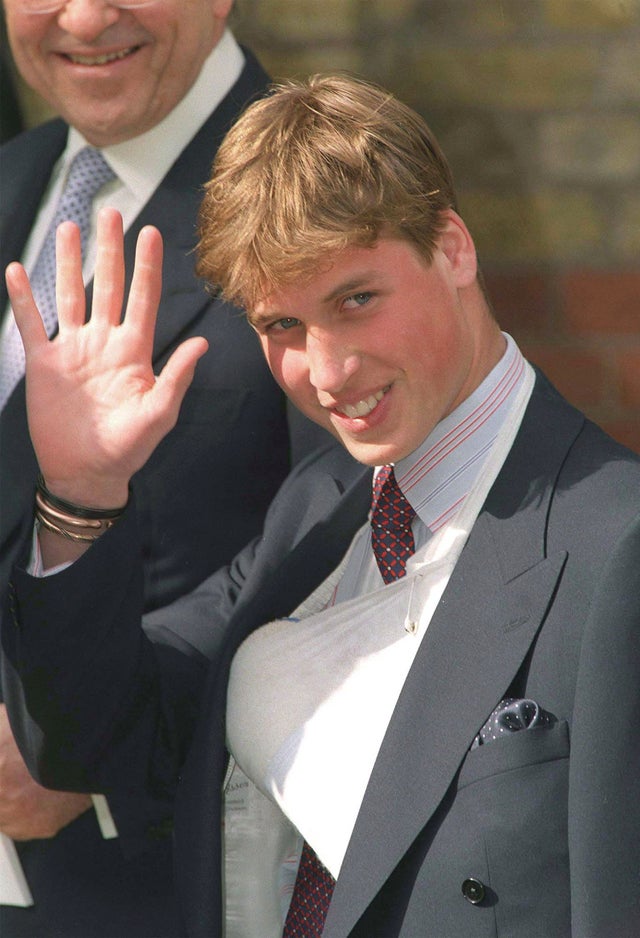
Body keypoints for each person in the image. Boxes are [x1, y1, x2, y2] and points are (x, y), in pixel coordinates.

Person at [3, 74, 640, 937]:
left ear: (452, 246)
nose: (328, 372)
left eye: (356, 301)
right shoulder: (316, 507)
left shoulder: (618, 545)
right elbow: (102, 736)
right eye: (282, 329)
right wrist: (83, 495)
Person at [0, 2, 326, 935]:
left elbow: (352, 529)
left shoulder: (329, 187)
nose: (84, 15)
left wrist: (85, 736)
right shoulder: (16, 176)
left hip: (166, 872)